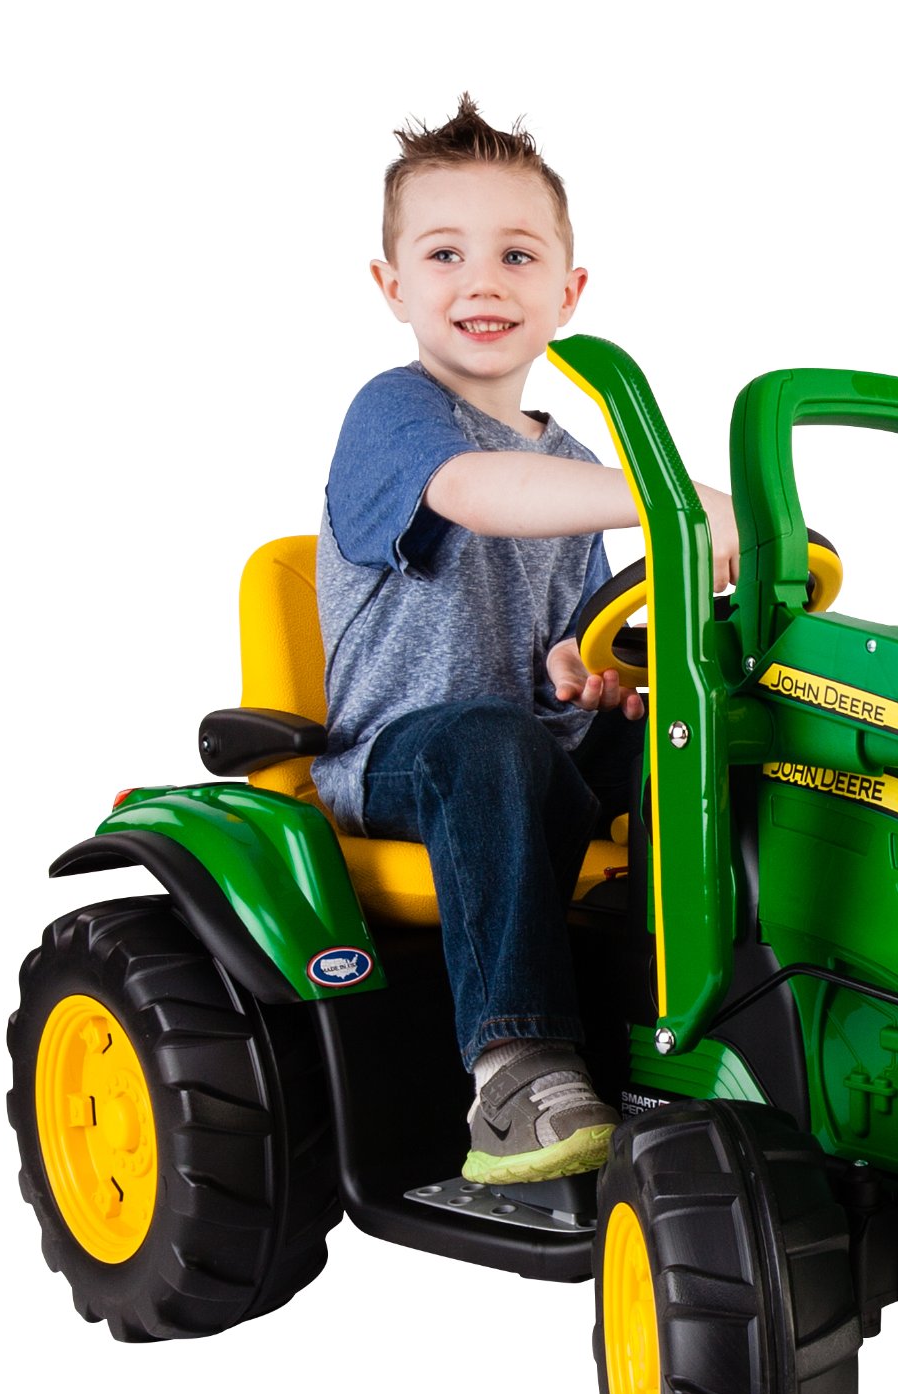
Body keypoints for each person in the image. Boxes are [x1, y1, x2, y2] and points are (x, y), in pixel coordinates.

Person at [310, 95, 739, 1185]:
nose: (483, 282)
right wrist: (669, 501)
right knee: (490, 742)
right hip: (405, 756)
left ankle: (724, 1006)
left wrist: (595, 679)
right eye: (444, 254)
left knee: (719, 732)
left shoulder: (572, 460)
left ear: (569, 290)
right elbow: (474, 493)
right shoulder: (394, 416)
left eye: (516, 254)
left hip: (530, 747)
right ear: (392, 286)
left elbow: (567, 646)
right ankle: (514, 1067)